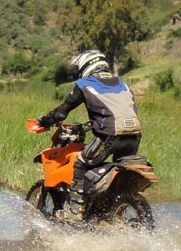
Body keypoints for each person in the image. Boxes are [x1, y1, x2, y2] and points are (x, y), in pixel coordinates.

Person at [36, 49, 142, 222]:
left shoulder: (85, 84)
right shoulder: (122, 83)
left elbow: (62, 112)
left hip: (110, 134)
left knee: (81, 163)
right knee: (115, 165)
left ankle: (75, 212)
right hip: (134, 134)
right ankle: (106, 209)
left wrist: (44, 121)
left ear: (85, 66)